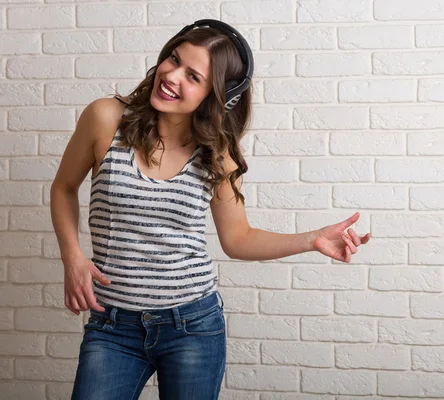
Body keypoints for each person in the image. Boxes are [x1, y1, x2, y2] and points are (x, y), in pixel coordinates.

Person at [50, 19, 370, 400]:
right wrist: (73, 257)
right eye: (173, 59)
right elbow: (64, 188)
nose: (171, 76)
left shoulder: (218, 156)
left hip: (192, 326)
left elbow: (238, 239)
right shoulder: (105, 118)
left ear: (216, 95)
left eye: (193, 76)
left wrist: (312, 239)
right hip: (112, 326)